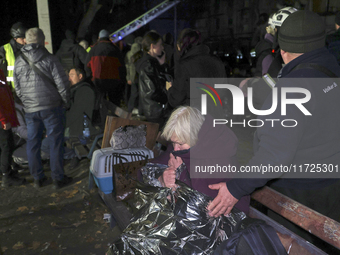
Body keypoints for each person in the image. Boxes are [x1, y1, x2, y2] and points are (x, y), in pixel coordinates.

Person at [207, 10, 340, 241]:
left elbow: (273, 157)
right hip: (331, 187)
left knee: (290, 246)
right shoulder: (332, 69)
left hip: (298, 195)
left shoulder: (292, 89)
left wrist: (234, 189)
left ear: (283, 50)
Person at [146, 106, 250, 214]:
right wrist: (162, 179)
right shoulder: (183, 145)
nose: (175, 149)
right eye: (173, 143)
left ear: (196, 138)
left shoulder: (218, 159)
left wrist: (179, 174)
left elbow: (205, 208)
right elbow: (148, 170)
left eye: (180, 144)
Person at [13, 28, 72, 189]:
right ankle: (58, 178)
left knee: (33, 143)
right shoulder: (50, 59)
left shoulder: (19, 61)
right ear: (42, 41)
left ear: (26, 41)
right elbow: (62, 84)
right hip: (52, 108)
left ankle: (38, 178)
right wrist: (66, 102)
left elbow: (16, 87)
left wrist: (27, 101)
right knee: (55, 143)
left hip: (31, 110)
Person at [166, 28, 226, 111]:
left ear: (181, 45)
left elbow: (176, 100)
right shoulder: (217, 61)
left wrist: (169, 89)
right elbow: (223, 91)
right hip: (215, 114)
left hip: (194, 117)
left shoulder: (184, 65)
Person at [135, 31, 169, 127]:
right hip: (155, 110)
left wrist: (161, 65)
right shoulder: (148, 65)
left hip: (150, 109)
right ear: (152, 46)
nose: (162, 48)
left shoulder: (148, 63)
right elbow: (152, 91)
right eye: (160, 45)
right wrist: (166, 98)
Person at [85, 29, 127, 107]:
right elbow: (122, 68)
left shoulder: (93, 50)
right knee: (114, 106)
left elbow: (87, 67)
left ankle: (103, 118)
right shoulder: (116, 50)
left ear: (99, 38)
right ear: (108, 38)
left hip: (98, 81)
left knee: (100, 105)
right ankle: (114, 119)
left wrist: (91, 78)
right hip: (114, 82)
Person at [0, 69, 25, 187]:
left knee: (8, 145)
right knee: (6, 147)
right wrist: (4, 120)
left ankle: (7, 171)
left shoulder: (1, 74)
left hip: (5, 119)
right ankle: (6, 176)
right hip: (2, 121)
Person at [0, 22, 27, 91]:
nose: (25, 40)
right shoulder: (4, 50)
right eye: (22, 38)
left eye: (26, 37)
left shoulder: (30, 48)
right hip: (11, 91)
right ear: (15, 38)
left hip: (28, 90)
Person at [125, 42, 141, 112]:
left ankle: (131, 109)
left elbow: (127, 67)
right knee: (136, 94)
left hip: (133, 77)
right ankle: (132, 109)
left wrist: (128, 78)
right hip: (136, 77)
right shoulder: (139, 54)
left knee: (134, 94)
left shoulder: (128, 54)